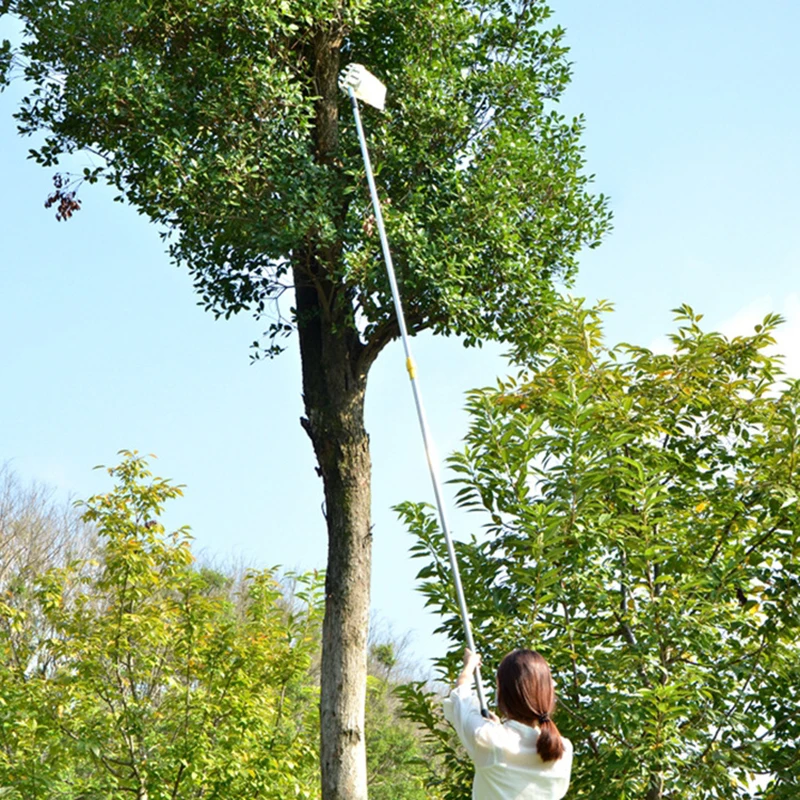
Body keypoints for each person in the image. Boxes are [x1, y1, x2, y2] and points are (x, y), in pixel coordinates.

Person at [442, 648, 573, 800]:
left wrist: (469, 666)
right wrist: (498, 728)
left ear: (503, 694)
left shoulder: (489, 740)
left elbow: (461, 698)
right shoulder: (564, 750)